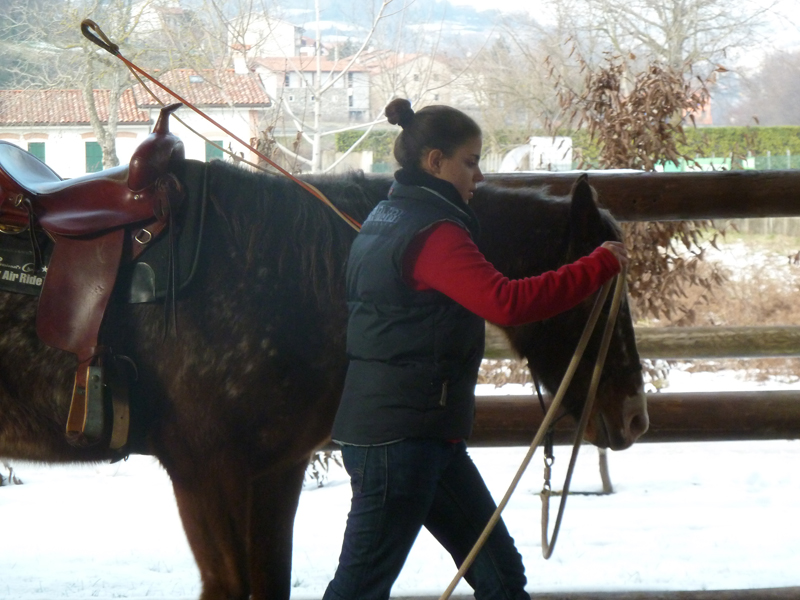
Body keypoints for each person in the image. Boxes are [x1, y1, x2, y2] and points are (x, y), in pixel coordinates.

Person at [323, 98, 628, 600]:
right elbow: (505, 302)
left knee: (500, 577)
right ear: (435, 162)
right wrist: (595, 266)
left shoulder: (387, 216)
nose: (479, 176)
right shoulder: (434, 234)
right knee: (359, 590)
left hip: (420, 435)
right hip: (399, 443)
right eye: (470, 162)